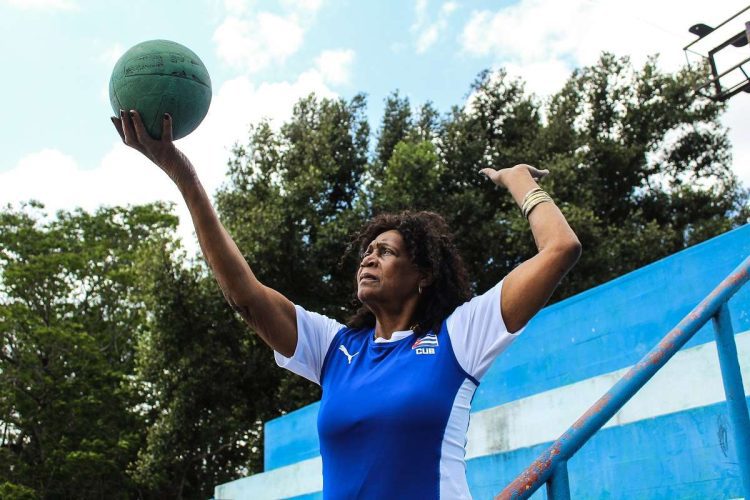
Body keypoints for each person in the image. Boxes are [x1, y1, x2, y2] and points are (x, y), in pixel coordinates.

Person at [112, 110, 581, 499]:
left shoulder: (458, 334)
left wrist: (519, 181)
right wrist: (184, 175)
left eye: (387, 251)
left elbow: (560, 249)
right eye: (367, 251)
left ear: (424, 276)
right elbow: (246, 297)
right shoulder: (335, 348)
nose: (369, 258)